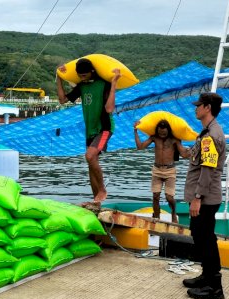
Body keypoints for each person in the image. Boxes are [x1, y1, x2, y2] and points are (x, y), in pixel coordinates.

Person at [56, 59, 120, 204]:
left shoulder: (103, 84)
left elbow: (109, 109)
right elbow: (62, 100)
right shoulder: (82, 86)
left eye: (84, 75)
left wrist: (114, 84)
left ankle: (102, 190)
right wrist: (59, 78)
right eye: (80, 76)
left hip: (104, 129)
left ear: (92, 72)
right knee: (91, 163)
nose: (82, 78)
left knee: (90, 156)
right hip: (90, 131)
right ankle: (96, 201)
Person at [182, 92, 226, 299]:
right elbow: (196, 157)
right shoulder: (207, 132)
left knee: (206, 239)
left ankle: (214, 287)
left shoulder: (211, 136)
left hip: (205, 198)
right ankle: (207, 276)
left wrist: (197, 197)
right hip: (204, 196)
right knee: (201, 236)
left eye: (198, 105)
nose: (195, 108)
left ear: (207, 107)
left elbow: (207, 169)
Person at [134, 120, 190, 223]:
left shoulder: (175, 140)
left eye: (164, 133)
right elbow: (140, 147)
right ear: (157, 131)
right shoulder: (154, 138)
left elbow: (184, 155)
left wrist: (193, 149)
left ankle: (173, 212)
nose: (162, 135)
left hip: (170, 170)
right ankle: (157, 217)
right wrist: (136, 131)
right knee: (155, 196)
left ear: (168, 130)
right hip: (157, 170)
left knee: (169, 197)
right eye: (160, 133)